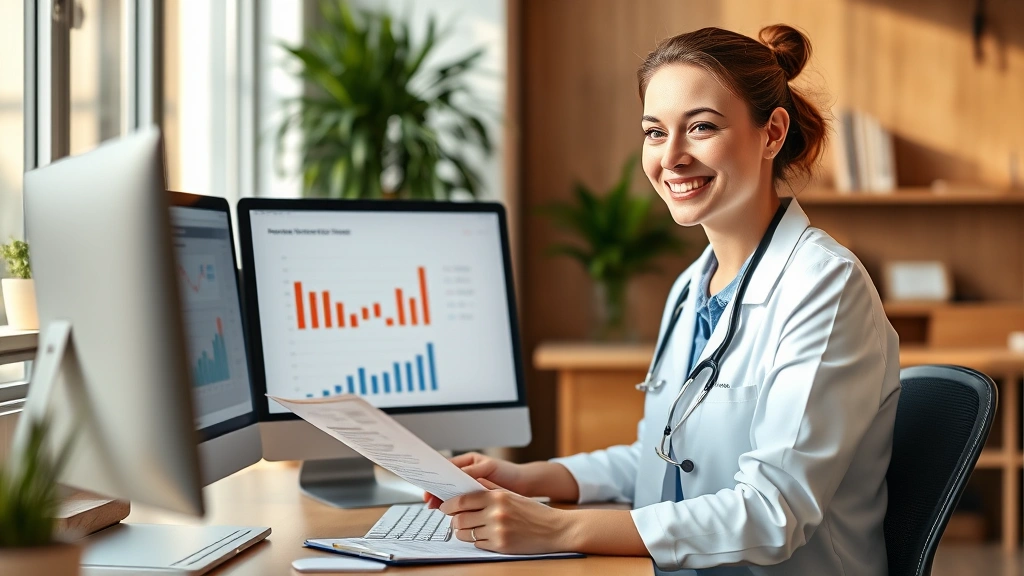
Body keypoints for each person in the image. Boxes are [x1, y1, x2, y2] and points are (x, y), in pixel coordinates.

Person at [428, 24, 901, 575]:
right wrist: (528, 478)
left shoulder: (824, 286)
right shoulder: (691, 288)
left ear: (772, 134)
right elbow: (666, 459)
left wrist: (555, 527)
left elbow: (773, 513)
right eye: (655, 132)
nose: (671, 157)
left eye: (701, 127)